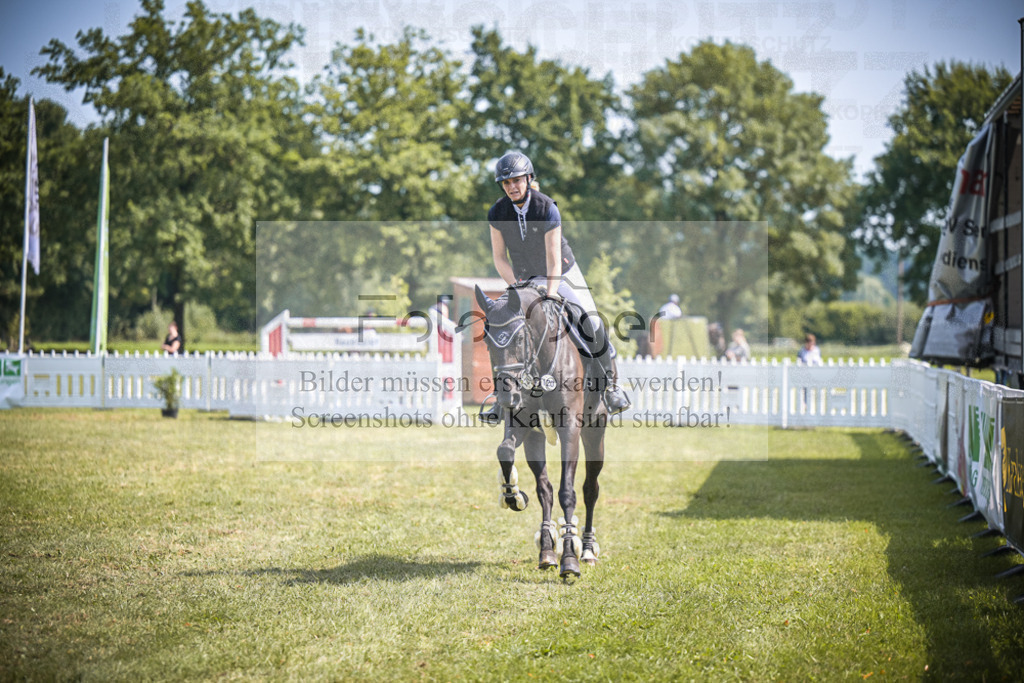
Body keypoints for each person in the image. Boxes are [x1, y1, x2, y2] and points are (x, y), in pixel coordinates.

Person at [485, 151, 631, 415]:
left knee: (591, 320)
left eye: (517, 180)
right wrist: (516, 287)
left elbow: (553, 260)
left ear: (528, 179)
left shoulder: (547, 208)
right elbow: (499, 258)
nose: (512, 187)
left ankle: (610, 386)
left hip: (561, 273)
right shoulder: (497, 212)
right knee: (502, 323)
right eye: (506, 183)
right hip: (524, 278)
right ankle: (500, 397)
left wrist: (550, 295)